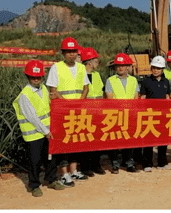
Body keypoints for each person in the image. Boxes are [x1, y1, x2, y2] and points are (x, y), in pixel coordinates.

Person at [13, 60, 66, 197]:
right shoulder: (25, 95)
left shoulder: (43, 88)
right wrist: (46, 131)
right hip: (34, 134)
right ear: (27, 77)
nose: (36, 80)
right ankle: (34, 185)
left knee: (50, 157)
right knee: (34, 161)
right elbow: (32, 117)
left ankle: (51, 179)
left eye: (38, 77)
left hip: (47, 131)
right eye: (33, 77)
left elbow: (47, 107)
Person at [46, 36, 90, 186]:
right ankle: (64, 173)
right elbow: (53, 90)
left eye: (73, 51)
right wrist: (68, 105)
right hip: (63, 111)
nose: (71, 54)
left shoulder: (81, 68)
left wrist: (80, 102)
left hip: (77, 111)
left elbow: (86, 87)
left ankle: (74, 170)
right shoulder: (56, 68)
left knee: (76, 141)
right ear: (63, 53)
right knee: (64, 142)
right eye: (68, 51)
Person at [105, 53, 140, 174]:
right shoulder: (110, 81)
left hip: (130, 115)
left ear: (128, 67)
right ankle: (115, 163)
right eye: (118, 66)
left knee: (129, 139)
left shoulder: (133, 80)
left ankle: (129, 162)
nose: (121, 68)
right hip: (115, 114)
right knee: (115, 140)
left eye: (123, 65)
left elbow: (136, 97)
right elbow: (109, 98)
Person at [139, 55, 171, 172]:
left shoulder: (166, 81)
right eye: (154, 67)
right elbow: (142, 97)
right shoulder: (146, 81)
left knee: (163, 139)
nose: (156, 70)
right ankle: (147, 163)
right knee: (149, 139)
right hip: (150, 114)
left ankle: (162, 162)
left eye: (158, 68)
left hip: (163, 114)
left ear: (162, 69)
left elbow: (167, 96)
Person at [81, 47, 105, 176]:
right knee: (86, 140)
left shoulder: (96, 75)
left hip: (97, 112)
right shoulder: (80, 74)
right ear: (89, 62)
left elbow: (100, 93)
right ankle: (86, 167)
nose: (97, 63)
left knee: (97, 140)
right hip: (85, 112)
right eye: (96, 61)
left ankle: (97, 164)